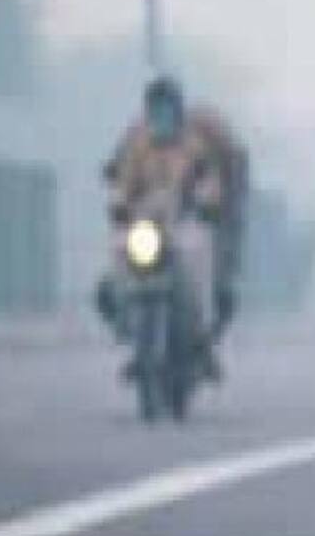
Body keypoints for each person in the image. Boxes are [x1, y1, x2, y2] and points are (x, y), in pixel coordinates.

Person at [100, 76, 244, 374]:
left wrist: (207, 202)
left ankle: (201, 328)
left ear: (178, 111)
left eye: (168, 109)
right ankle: (126, 321)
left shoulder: (195, 144)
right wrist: (119, 202)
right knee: (116, 257)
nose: (162, 116)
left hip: (184, 221)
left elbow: (209, 179)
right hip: (146, 225)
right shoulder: (137, 143)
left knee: (198, 254)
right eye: (156, 109)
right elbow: (123, 181)